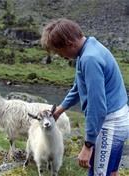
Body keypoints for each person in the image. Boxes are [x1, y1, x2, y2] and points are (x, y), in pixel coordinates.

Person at [40, 18, 129, 176]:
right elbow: (78, 87)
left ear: (69, 43)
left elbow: (97, 106)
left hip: (110, 124)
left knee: (98, 173)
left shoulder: (90, 59)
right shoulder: (89, 47)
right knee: (111, 172)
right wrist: (60, 109)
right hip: (117, 118)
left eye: (59, 51)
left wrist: (88, 145)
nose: (60, 56)